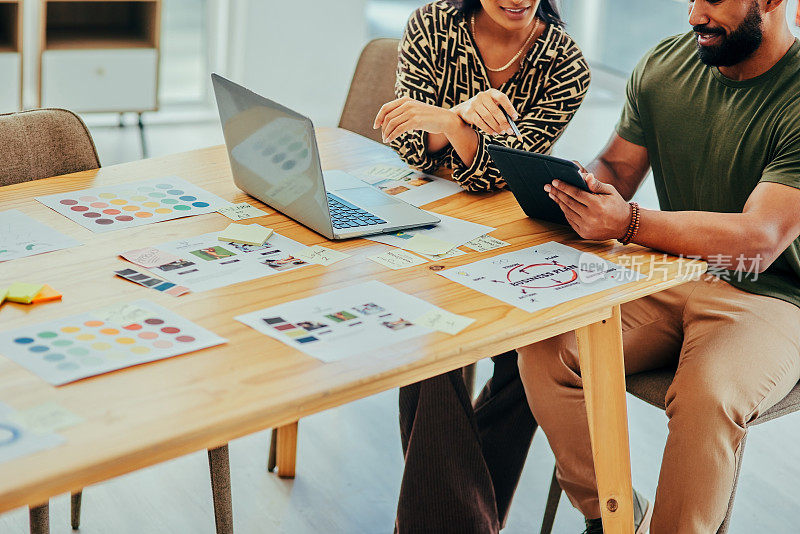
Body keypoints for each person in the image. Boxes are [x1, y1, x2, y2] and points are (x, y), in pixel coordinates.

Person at [517, 0, 800, 532]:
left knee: (708, 396)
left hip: (776, 296)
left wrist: (626, 224)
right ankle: (613, 516)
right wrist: (581, 187)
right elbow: (619, 167)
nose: (695, 14)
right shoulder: (664, 67)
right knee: (547, 348)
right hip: (674, 272)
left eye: (713, 1)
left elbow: (759, 240)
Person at [372, 1, 591, 532]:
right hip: (424, 222)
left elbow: (503, 173)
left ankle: (449, 520)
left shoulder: (565, 64)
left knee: (538, 354)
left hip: (515, 234)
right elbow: (407, 145)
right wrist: (462, 122)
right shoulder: (432, 24)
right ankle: (467, 522)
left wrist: (448, 121)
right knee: (433, 335)